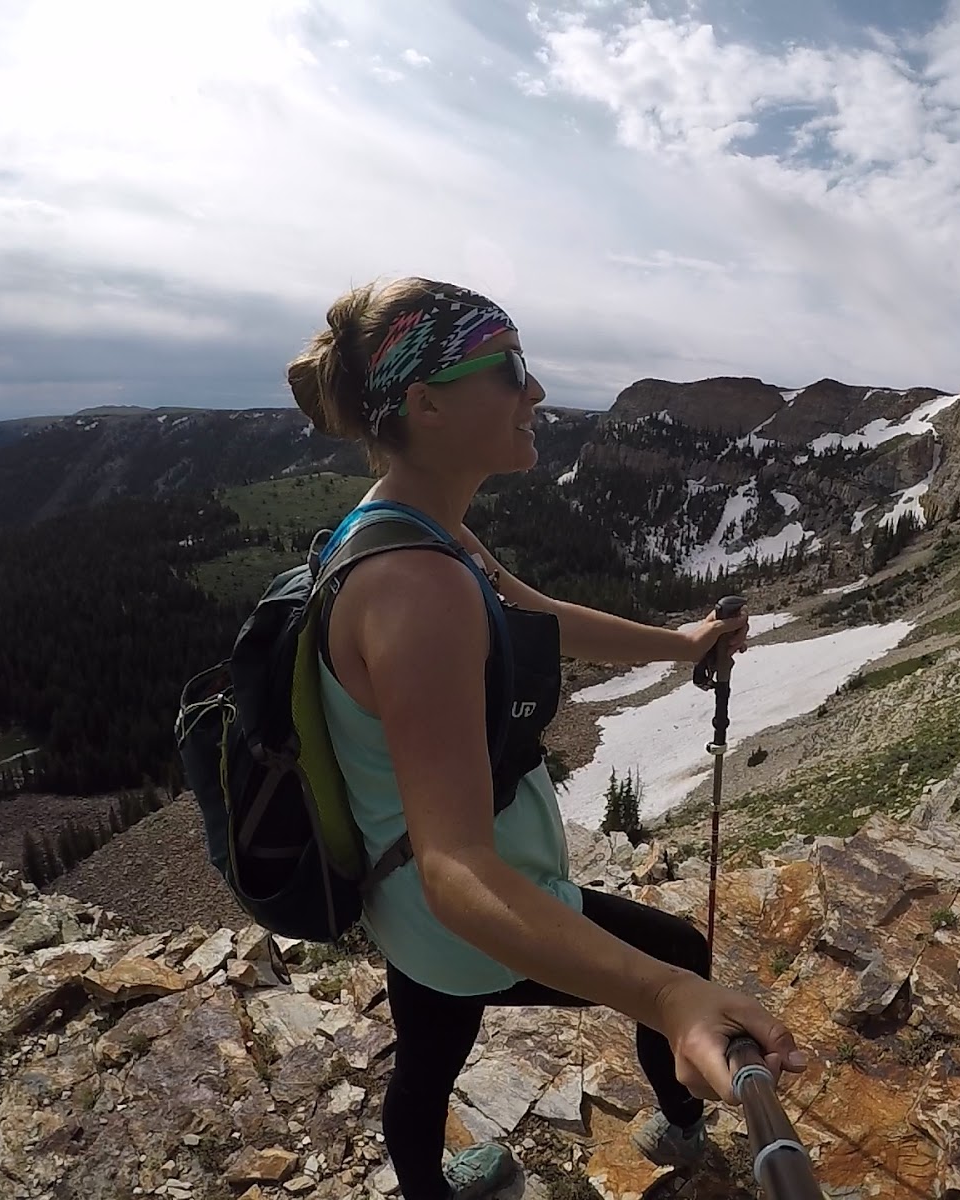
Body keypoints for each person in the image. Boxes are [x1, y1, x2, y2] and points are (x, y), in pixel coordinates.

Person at [286, 277, 807, 1200]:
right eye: (511, 369)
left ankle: (427, 1192)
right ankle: (678, 1131)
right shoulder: (420, 585)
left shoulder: (401, 529)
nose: (535, 392)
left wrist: (678, 644)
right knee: (677, 950)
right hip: (460, 917)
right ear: (427, 403)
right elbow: (459, 869)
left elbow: (539, 615)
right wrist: (665, 998)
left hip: (400, 905)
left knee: (429, 1056)